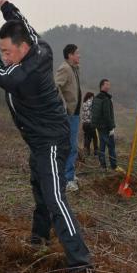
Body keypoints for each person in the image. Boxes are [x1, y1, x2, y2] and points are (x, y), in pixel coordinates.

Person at [0, 0, 92, 272]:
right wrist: (4, 4)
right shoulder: (39, 45)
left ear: (23, 49)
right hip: (41, 140)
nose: (3, 57)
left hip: (51, 140)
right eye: (1, 51)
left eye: (6, 51)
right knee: (40, 187)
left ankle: (80, 262)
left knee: (54, 196)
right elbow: (22, 23)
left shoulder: (22, 74)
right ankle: (39, 238)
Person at [56, 44, 82, 192]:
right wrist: (63, 104)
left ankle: (69, 174)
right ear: (70, 55)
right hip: (69, 114)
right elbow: (55, 85)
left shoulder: (75, 68)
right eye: (77, 53)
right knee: (71, 146)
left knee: (72, 145)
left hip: (75, 114)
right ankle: (68, 179)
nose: (79, 55)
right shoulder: (65, 68)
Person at [90, 79, 123, 173]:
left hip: (99, 126)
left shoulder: (96, 98)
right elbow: (107, 115)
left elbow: (94, 112)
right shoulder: (105, 99)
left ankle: (103, 166)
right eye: (107, 84)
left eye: (109, 84)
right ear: (102, 86)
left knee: (102, 147)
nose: (109, 86)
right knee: (111, 147)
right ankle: (114, 166)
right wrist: (111, 127)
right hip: (106, 127)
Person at [81, 92, 98, 157]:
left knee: (87, 137)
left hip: (84, 124)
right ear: (91, 96)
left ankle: (87, 151)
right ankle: (96, 152)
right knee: (95, 137)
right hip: (90, 123)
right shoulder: (91, 102)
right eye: (93, 96)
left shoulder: (84, 103)